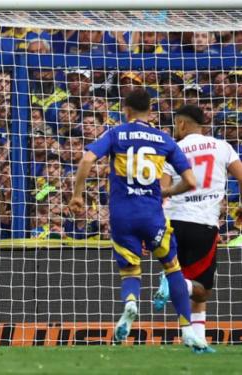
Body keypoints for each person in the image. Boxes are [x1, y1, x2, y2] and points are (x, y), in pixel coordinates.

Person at [68, 89, 210, 353]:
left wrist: (77, 195)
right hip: (152, 214)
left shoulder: (116, 134)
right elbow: (191, 181)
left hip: (122, 215)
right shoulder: (165, 140)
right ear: (150, 111)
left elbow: (87, 158)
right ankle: (187, 330)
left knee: (131, 271)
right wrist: (165, 191)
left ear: (126, 110)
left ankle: (131, 302)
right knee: (173, 268)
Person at [152, 105, 242, 347]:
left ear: (181, 124)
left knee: (182, 279)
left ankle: (196, 341)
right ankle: (177, 286)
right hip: (204, 225)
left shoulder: (173, 149)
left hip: (173, 223)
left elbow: (162, 191)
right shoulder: (223, 147)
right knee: (202, 290)